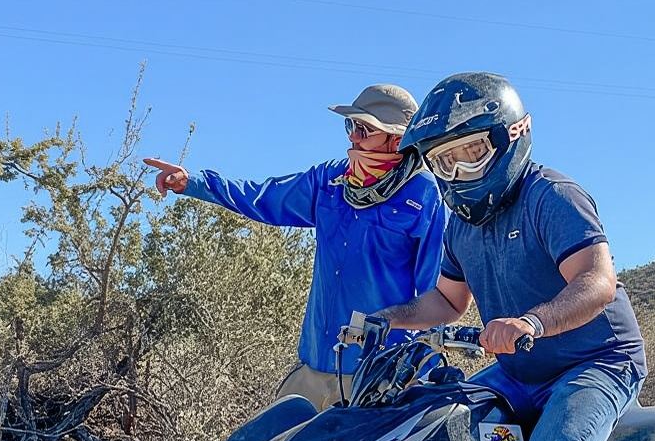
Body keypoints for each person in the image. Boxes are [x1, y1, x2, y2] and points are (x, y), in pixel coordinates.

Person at [374, 72, 647, 441]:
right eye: (443, 162)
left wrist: (531, 322)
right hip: (523, 369)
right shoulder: (462, 227)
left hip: (596, 360)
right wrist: (390, 318)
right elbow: (448, 301)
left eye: (470, 152)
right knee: (436, 423)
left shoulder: (552, 197)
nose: (457, 173)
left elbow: (597, 282)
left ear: (510, 137)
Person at [145, 84, 446, 409]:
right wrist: (194, 183)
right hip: (314, 368)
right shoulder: (330, 181)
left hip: (378, 378)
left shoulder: (426, 197)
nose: (353, 137)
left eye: (364, 130)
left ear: (397, 140)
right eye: (351, 126)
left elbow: (436, 298)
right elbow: (263, 197)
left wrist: (420, 375)